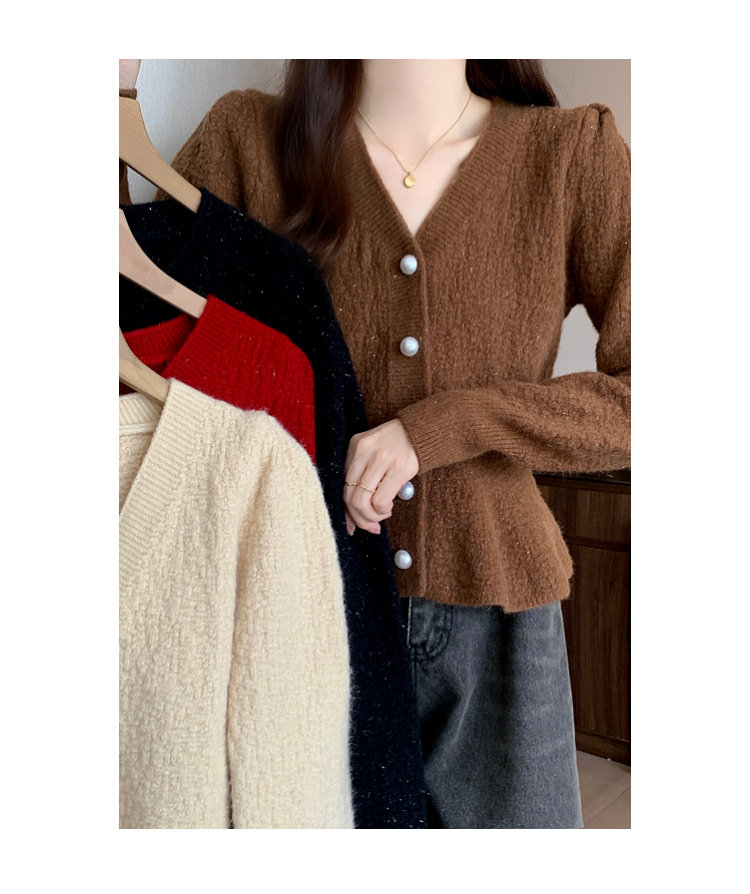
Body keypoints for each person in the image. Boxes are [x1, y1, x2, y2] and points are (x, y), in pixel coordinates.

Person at [120, 58, 630, 829]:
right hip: (296, 609)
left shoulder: (569, 155)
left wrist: (446, 427)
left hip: (498, 627)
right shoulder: (248, 140)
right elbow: (146, 342)